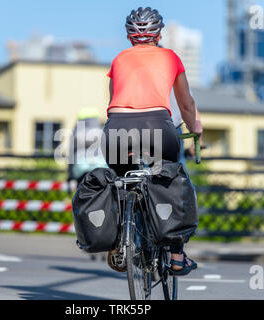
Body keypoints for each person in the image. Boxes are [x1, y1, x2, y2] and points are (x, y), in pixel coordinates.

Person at [102, 7, 203, 276]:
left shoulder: (119, 59)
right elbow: (186, 104)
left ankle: (118, 235)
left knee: (119, 177)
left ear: (129, 36)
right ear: (159, 33)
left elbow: (112, 103)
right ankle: (177, 255)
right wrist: (196, 129)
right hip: (157, 125)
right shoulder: (171, 58)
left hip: (116, 128)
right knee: (171, 179)